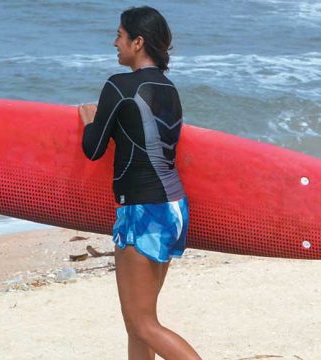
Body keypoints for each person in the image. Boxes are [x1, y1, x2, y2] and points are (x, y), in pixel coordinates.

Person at [78, 6, 202, 360]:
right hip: (173, 208)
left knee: (143, 323)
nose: (114, 42)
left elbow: (93, 149)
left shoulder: (120, 86)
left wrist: (88, 121)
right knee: (139, 323)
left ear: (138, 41)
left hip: (142, 210)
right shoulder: (168, 88)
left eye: (119, 35)